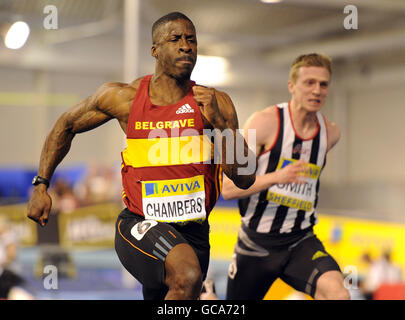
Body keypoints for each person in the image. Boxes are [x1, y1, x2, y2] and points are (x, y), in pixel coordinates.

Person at [27, 12, 255, 300]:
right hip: (139, 225)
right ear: (155, 50)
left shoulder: (216, 102)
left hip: (195, 232)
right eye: (175, 39)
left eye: (191, 40)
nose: (186, 46)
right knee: (188, 276)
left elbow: (245, 178)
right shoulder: (126, 97)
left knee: (181, 288)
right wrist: (41, 184)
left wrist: (221, 125)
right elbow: (66, 125)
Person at [222, 53, 350, 300]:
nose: (317, 90)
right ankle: (207, 296)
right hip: (255, 245)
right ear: (291, 86)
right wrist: (276, 176)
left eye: (323, 84)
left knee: (339, 294)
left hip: (300, 242)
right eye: (309, 82)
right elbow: (227, 188)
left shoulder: (331, 133)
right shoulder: (261, 122)